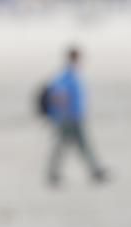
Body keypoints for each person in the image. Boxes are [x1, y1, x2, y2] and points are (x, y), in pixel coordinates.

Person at [45, 46, 108, 187]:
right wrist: (64, 113)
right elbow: (58, 96)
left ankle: (93, 171)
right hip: (68, 118)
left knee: (72, 146)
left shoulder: (71, 75)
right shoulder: (66, 76)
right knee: (69, 146)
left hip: (74, 117)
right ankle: (93, 171)